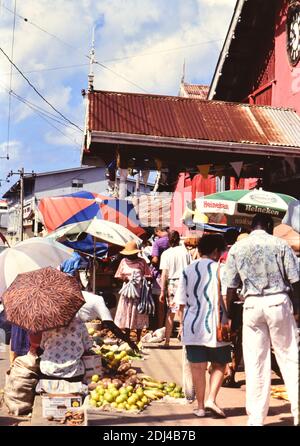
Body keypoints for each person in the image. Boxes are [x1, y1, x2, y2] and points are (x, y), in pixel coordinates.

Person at [225, 214, 300, 426]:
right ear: (269, 226)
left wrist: (230, 316)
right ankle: (298, 412)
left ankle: (256, 418)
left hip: (251, 305)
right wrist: (297, 309)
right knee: (289, 358)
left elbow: (230, 287)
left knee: (255, 361)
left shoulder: (238, 248)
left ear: (251, 227)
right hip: (278, 301)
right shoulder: (281, 245)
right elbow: (296, 280)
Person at [175, 234, 231, 418]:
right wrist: (228, 316)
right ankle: (211, 399)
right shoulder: (220, 269)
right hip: (216, 325)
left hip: (191, 325)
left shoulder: (187, 270)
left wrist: (181, 326)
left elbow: (181, 303)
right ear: (216, 251)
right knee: (220, 364)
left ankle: (200, 407)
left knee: (197, 367)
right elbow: (224, 297)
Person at [114, 241, 152, 342]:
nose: (131, 256)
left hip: (139, 291)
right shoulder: (123, 261)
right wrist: (126, 279)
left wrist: (140, 280)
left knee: (138, 312)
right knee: (127, 312)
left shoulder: (142, 262)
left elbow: (148, 275)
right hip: (127, 291)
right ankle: (127, 336)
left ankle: (138, 337)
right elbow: (118, 275)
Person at [159, 231, 190, 347]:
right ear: (178, 239)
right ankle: (185, 341)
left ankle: (167, 341)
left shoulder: (166, 253)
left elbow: (164, 274)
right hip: (184, 282)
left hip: (172, 283)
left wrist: (162, 291)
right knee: (183, 311)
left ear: (169, 240)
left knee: (171, 312)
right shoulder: (185, 252)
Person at [39, 316, 92, 381]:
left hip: (48, 370)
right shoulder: (79, 322)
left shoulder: (48, 323)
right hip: (74, 372)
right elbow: (87, 346)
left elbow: (42, 346)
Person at [151, 227, 170, 328]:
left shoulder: (158, 243)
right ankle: (169, 326)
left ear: (158, 231)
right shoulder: (173, 240)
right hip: (173, 275)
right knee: (171, 304)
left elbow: (155, 259)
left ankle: (160, 327)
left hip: (160, 275)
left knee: (161, 304)